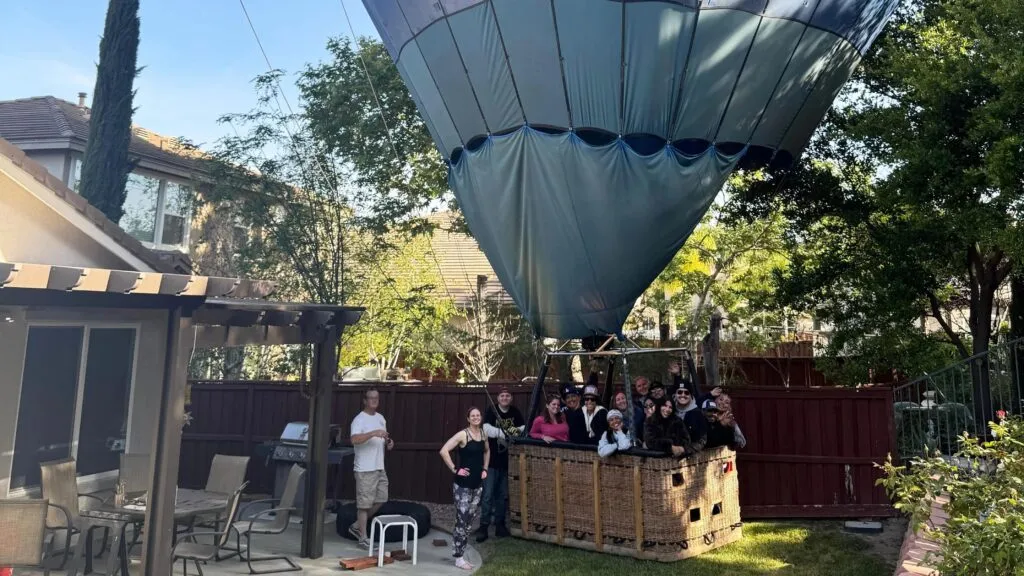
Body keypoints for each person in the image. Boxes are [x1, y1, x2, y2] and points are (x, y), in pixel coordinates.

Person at [439, 407, 490, 571]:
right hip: (462, 486)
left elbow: (487, 451)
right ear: (468, 418)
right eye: (472, 416)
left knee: (468, 522)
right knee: (461, 520)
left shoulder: (483, 434)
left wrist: (485, 469)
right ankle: (459, 557)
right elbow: (444, 450)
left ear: (480, 417)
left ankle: (460, 554)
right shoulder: (463, 435)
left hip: (477, 485)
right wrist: (455, 469)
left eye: (478, 415)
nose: (476, 418)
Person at [477, 388, 524, 542]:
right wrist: (505, 433)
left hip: (507, 461)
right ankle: (483, 526)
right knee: (488, 495)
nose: (505, 398)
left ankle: (500, 525)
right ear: (498, 398)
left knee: (503, 495)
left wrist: (511, 431)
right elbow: (486, 429)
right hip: (490, 461)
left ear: (511, 398)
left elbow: (523, 428)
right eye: (502, 395)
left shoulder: (515, 412)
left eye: (508, 395)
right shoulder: (491, 411)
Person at [349, 388, 394, 545]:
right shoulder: (359, 420)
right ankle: (363, 538)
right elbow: (354, 439)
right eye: (371, 398)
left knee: (382, 498)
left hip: (379, 466)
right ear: (365, 401)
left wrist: (389, 443)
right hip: (365, 468)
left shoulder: (381, 418)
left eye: (377, 398)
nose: (374, 401)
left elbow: (385, 440)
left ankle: (356, 526)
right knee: (364, 504)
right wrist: (372, 433)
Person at [674, 384, 709, 453]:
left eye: (686, 393)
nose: (683, 395)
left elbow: (702, 440)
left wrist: (685, 450)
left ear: (691, 396)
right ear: (675, 394)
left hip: (689, 457)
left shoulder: (697, 414)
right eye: (680, 392)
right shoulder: (670, 410)